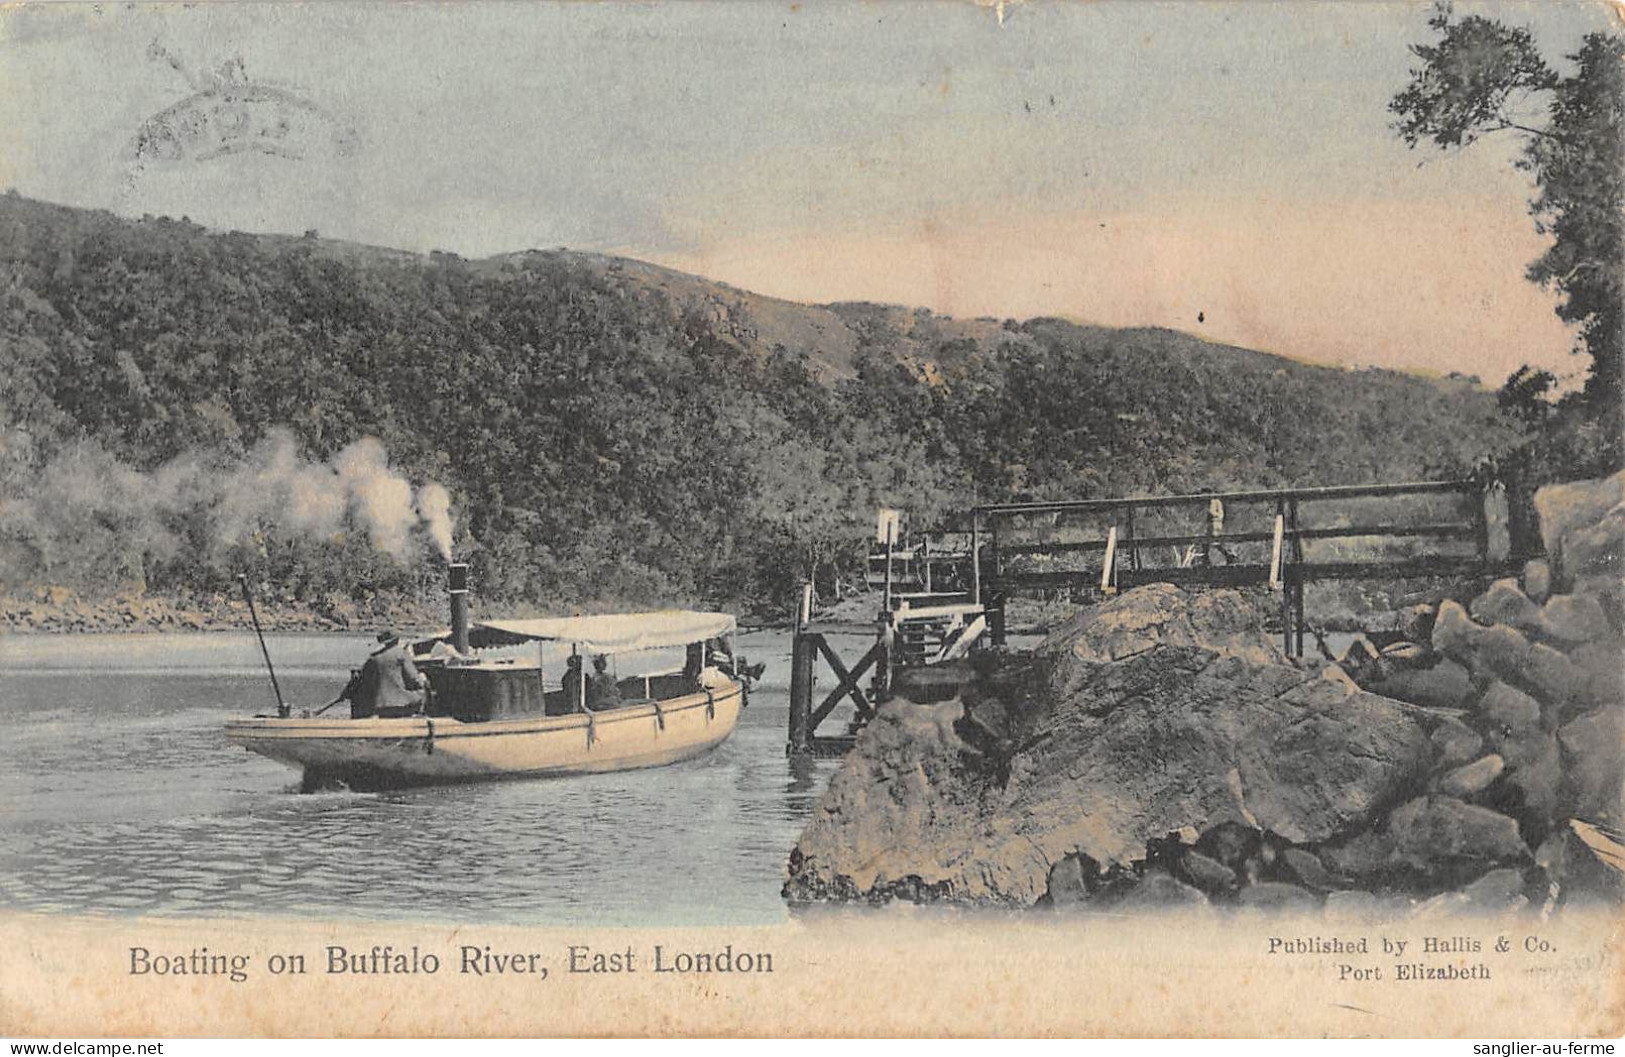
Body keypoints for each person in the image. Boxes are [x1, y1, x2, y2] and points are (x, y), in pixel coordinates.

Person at [345, 631, 427, 718]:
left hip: (379, 704)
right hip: (402, 701)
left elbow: (363, 681)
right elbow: (414, 679)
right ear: (396, 641)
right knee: (423, 690)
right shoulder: (401, 654)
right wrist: (423, 680)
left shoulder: (373, 658)